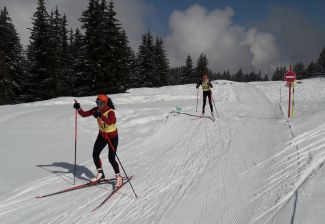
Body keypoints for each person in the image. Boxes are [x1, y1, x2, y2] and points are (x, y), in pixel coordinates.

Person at [73, 94, 123, 187]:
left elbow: (110, 122)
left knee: (111, 158)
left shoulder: (110, 112)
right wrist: (78, 108)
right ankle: (100, 174)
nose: (98, 104)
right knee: (95, 154)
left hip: (112, 137)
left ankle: (118, 176)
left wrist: (100, 115)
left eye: (100, 103)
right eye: (97, 102)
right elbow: (84, 114)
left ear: (105, 103)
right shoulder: (96, 109)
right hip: (102, 135)